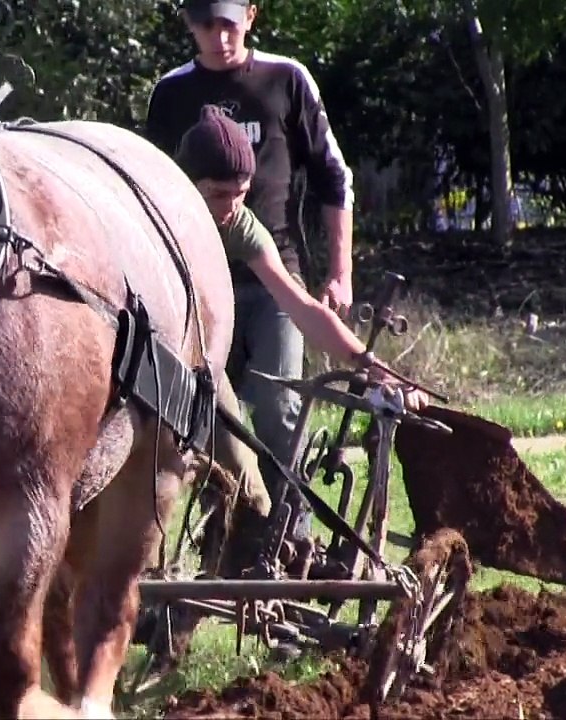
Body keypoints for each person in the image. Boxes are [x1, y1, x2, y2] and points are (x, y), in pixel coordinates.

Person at [175, 106, 428, 572]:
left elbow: (303, 309)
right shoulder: (160, 214)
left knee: (243, 468)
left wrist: (372, 368)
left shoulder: (239, 226)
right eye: (218, 194)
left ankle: (272, 560)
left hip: (194, 362)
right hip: (140, 355)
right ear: (185, 182)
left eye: (241, 194)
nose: (230, 206)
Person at [144, 0, 356, 555]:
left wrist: (366, 361)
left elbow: (334, 183)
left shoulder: (285, 82)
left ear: (251, 17)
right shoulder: (170, 99)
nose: (219, 36)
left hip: (266, 287)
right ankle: (220, 542)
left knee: (279, 405)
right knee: (202, 421)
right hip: (188, 291)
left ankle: (288, 544)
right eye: (206, 23)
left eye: (229, 22)